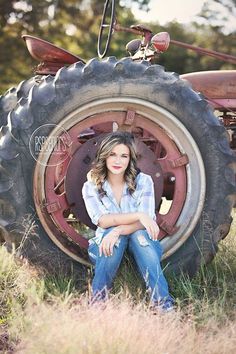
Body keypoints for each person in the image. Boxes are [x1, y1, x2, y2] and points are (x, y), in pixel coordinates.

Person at [82, 131, 174, 312]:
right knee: (113, 240)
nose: (118, 161)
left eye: (124, 156)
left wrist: (117, 230)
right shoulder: (91, 185)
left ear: (130, 158)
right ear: (104, 156)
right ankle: (98, 305)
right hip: (107, 243)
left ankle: (164, 307)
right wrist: (138, 216)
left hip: (141, 242)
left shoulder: (143, 181)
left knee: (140, 237)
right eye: (112, 155)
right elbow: (102, 220)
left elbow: (146, 222)